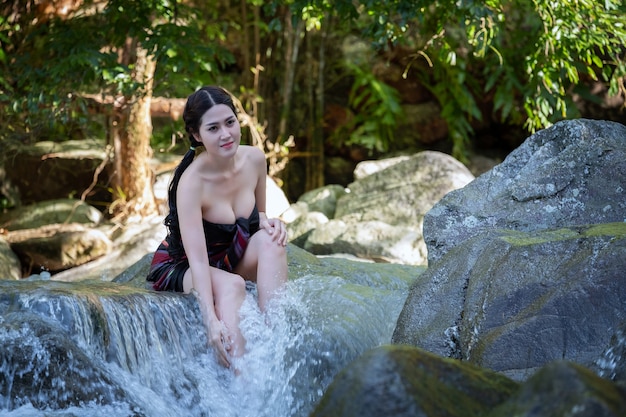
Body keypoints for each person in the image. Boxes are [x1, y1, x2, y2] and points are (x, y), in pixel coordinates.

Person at [147, 86, 288, 369]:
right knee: (232, 285)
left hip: (230, 255)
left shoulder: (255, 159)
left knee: (273, 241)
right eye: (213, 128)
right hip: (186, 264)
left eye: (230, 123)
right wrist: (210, 320)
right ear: (197, 135)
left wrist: (269, 221)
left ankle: (277, 340)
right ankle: (242, 373)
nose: (226, 134)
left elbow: (259, 213)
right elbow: (198, 263)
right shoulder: (191, 185)